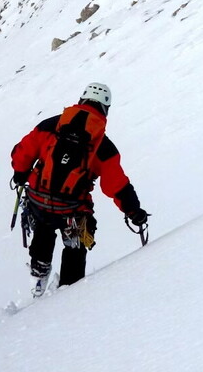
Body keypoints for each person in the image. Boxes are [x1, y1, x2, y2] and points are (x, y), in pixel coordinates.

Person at [10, 82, 148, 296]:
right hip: (73, 210)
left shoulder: (51, 125)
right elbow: (116, 185)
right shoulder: (103, 146)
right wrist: (133, 211)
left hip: (40, 200)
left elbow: (23, 151)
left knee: (43, 230)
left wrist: (20, 173)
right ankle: (69, 293)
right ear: (106, 109)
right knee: (75, 247)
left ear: (82, 99)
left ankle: (39, 276)